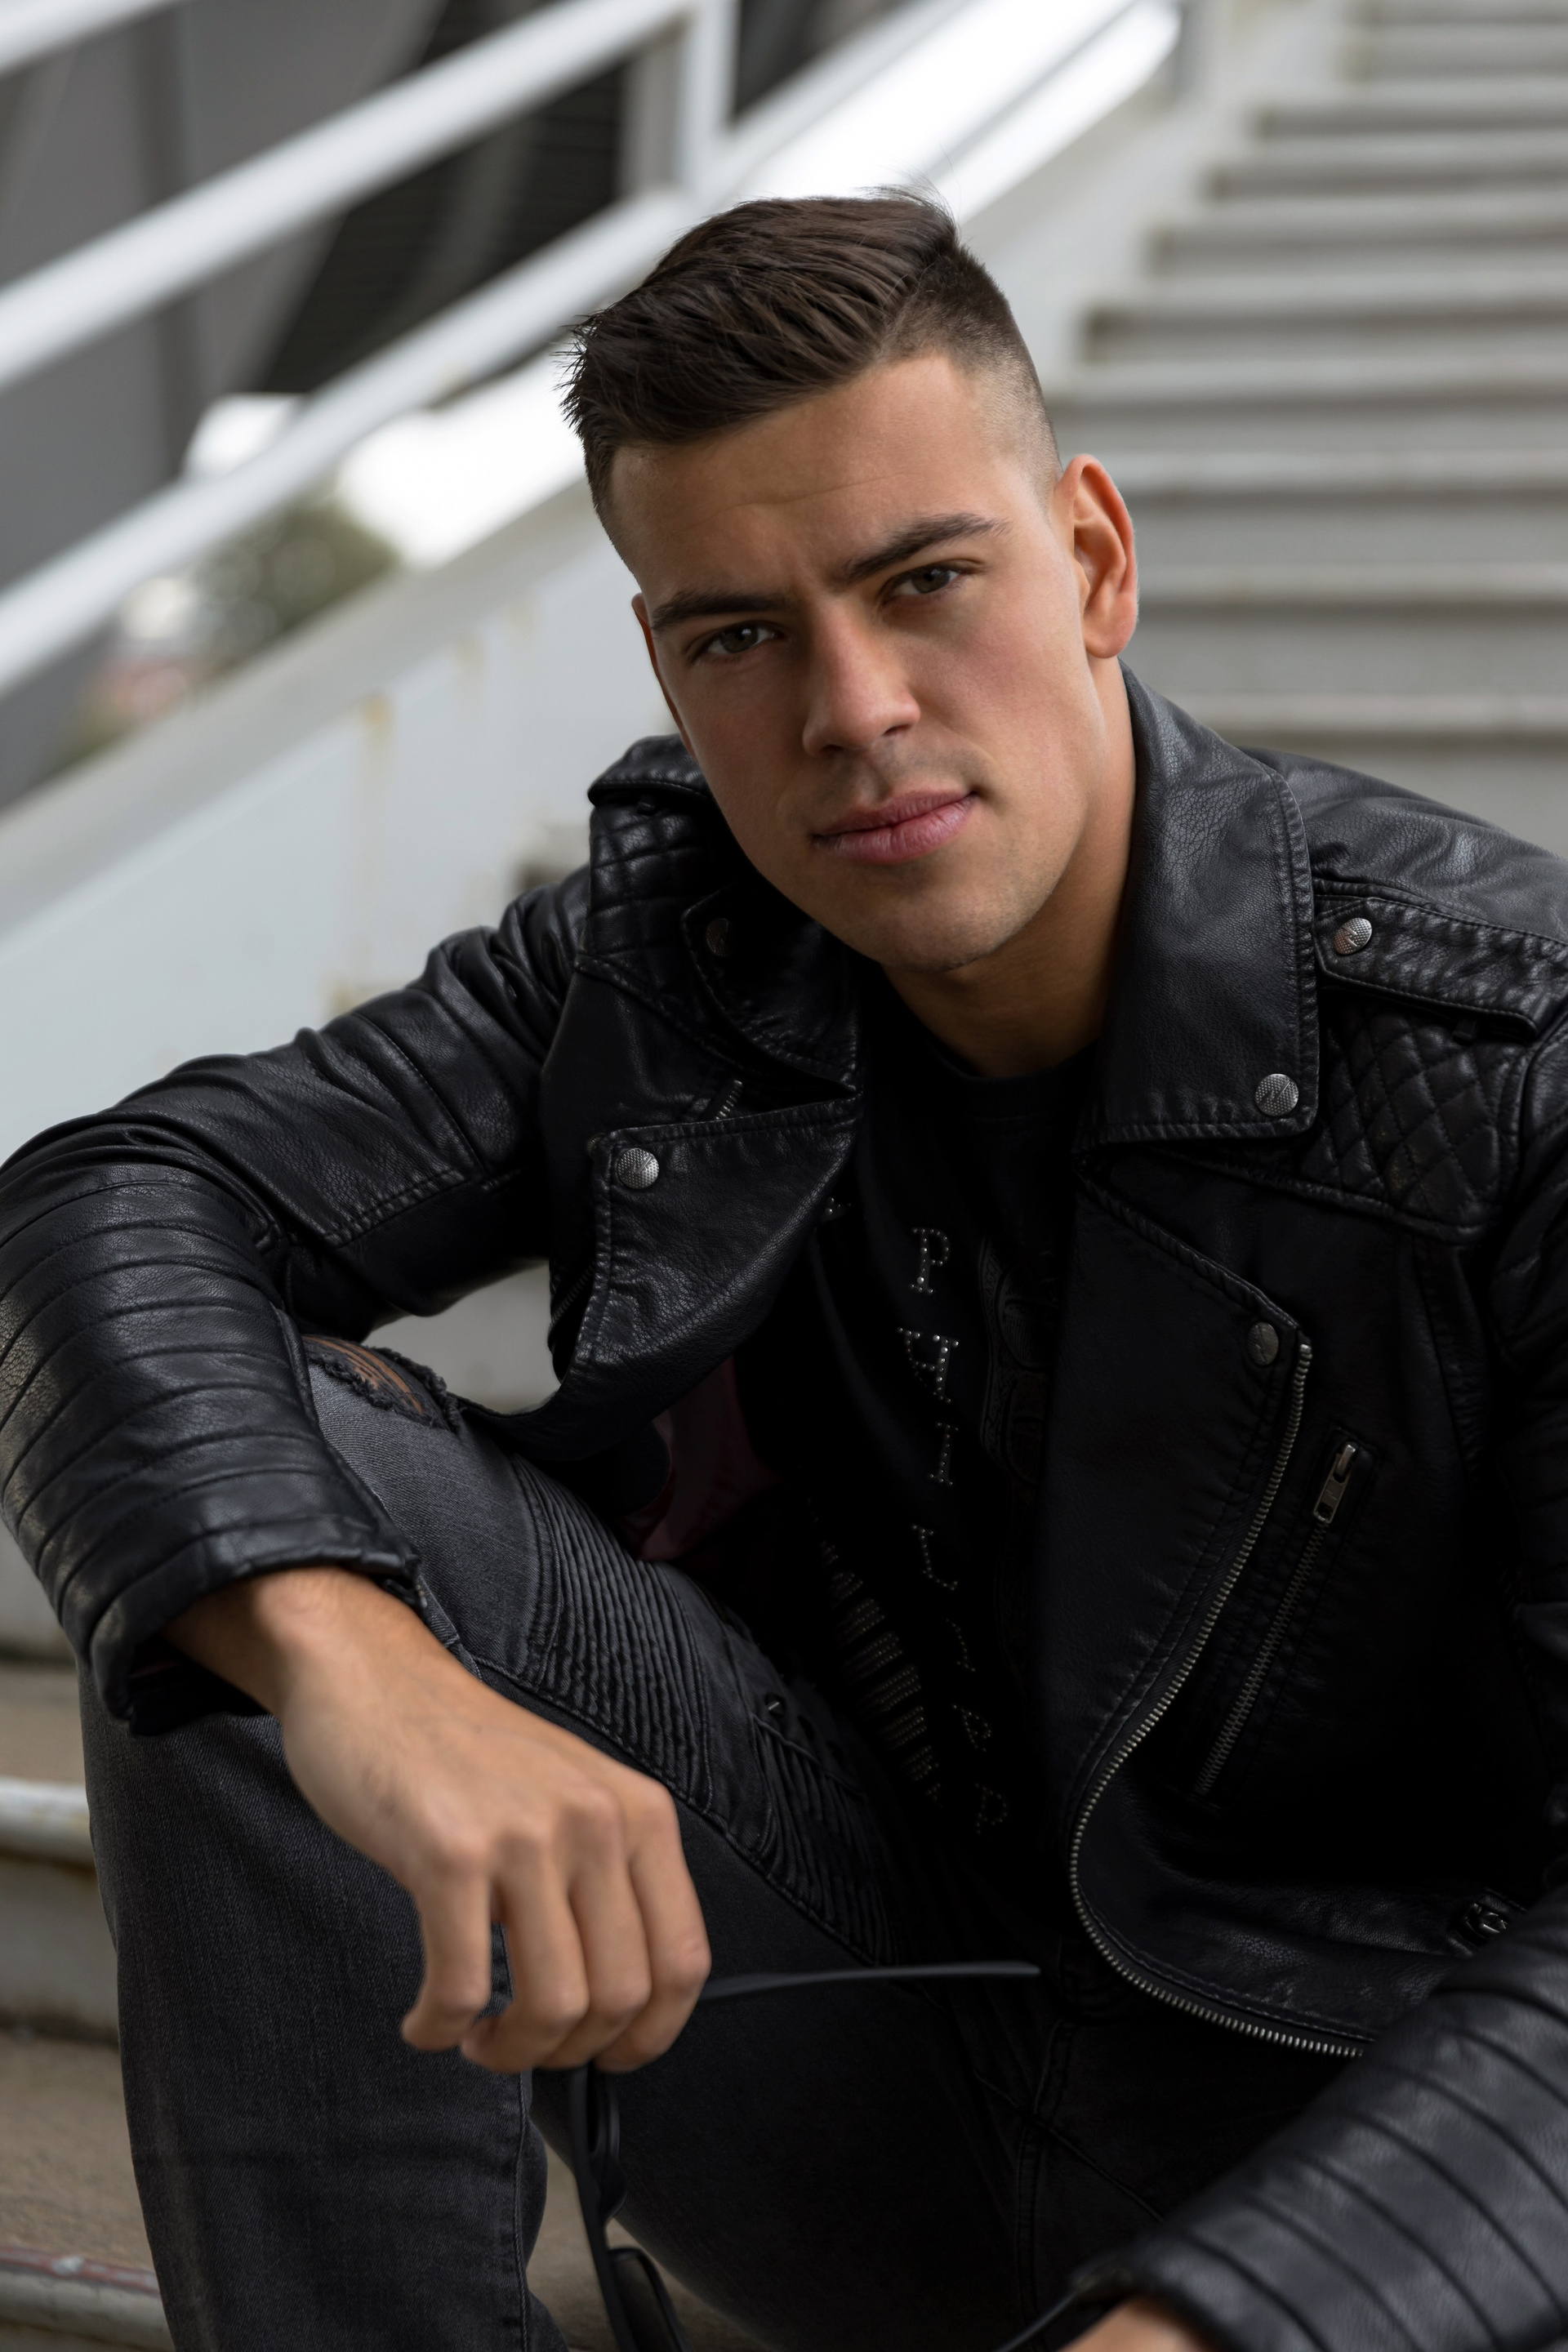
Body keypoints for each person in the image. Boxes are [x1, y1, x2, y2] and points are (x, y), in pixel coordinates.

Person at [2, 192, 1566, 2352]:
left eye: (927, 582)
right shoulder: (679, 954)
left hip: (1375, 2195)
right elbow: (109, 1201)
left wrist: (1220, 2323)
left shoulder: (1508, 1059)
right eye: (739, 635)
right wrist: (362, 1674)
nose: (852, 708)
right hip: (875, 2076)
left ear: (1093, 561)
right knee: (258, 1510)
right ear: (666, 664)